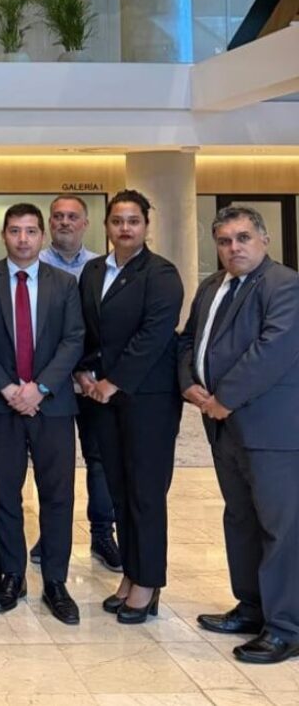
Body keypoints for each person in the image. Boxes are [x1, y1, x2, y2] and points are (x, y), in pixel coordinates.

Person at [180, 206, 299, 664]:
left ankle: (286, 627)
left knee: (280, 527)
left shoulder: (284, 285)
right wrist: (187, 381)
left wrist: (223, 398)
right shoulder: (213, 286)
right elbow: (188, 340)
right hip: (223, 427)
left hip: (271, 430)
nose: (234, 248)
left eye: (243, 238)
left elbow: (274, 349)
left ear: (264, 240)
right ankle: (251, 607)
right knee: (241, 519)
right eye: (225, 241)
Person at [77, 190, 183, 624]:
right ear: (106, 225)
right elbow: (86, 330)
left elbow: (154, 335)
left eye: (133, 221)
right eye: (117, 220)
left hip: (147, 399)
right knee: (119, 488)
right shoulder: (93, 271)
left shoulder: (161, 273)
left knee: (145, 492)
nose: (125, 228)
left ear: (145, 226)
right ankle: (132, 575)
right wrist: (83, 372)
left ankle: (148, 583)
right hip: (101, 398)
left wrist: (113, 382)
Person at [0, 203, 85, 625]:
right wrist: (8, 388)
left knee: (57, 495)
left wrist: (39, 388)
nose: (22, 239)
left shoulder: (65, 283)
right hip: (0, 404)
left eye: (30, 231)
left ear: (42, 236)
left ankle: (56, 581)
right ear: (3, 235)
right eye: (14, 231)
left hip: (52, 405)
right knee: (5, 493)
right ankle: (12, 575)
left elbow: (74, 339)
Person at [34, 195, 120, 573]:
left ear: (86, 223)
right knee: (51, 463)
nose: (64, 222)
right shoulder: (33, 264)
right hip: (46, 383)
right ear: (49, 223)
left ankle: (102, 533)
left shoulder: (102, 268)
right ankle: (50, 534)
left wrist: (86, 372)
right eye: (58, 216)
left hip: (91, 382)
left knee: (98, 459)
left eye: (72, 217)